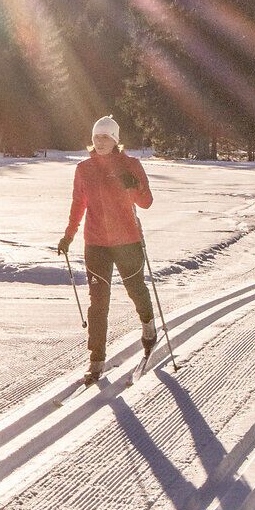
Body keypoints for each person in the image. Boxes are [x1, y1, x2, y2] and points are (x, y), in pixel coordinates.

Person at [57, 114, 157, 384]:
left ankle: (148, 326)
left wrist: (133, 186)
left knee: (136, 289)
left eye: (105, 137)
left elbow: (146, 202)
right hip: (96, 243)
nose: (100, 142)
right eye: (96, 137)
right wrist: (68, 235)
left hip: (127, 241)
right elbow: (79, 204)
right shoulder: (84, 169)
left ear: (115, 140)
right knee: (98, 304)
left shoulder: (131, 165)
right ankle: (96, 360)